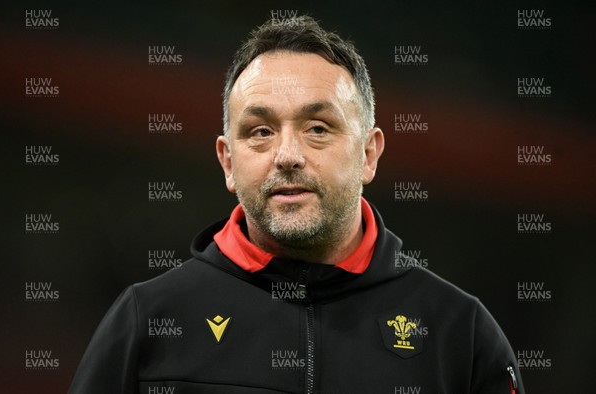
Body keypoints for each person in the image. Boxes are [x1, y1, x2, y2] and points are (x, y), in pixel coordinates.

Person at [69, 15, 524, 394]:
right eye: (261, 132)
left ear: (369, 154)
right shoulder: (147, 320)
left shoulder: (459, 333)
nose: (287, 156)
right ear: (228, 162)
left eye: (318, 128)